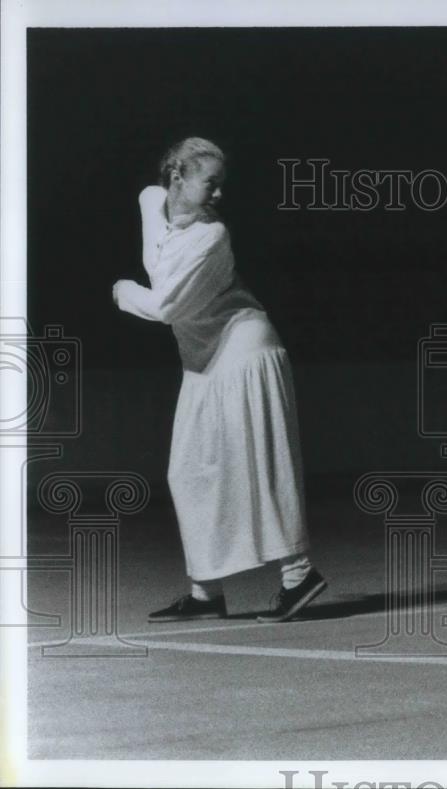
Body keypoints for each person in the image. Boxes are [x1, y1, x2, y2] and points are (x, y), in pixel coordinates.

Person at [114, 137, 326, 622]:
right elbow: (154, 215)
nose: (218, 194)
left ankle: (299, 576)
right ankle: (206, 592)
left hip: (246, 350)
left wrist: (123, 291)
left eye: (220, 185)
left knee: (262, 466)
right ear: (176, 178)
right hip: (203, 361)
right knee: (187, 472)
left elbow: (167, 307)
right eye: (210, 182)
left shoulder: (213, 237)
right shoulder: (152, 201)